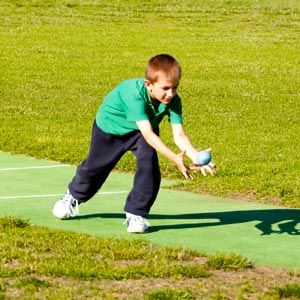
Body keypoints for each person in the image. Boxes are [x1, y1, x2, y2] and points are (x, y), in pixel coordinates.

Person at [52, 54, 216, 233]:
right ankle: (73, 196)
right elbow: (148, 133)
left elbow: (179, 135)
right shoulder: (133, 93)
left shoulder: (173, 101)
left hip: (141, 131)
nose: (171, 94)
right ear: (149, 84)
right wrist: (174, 158)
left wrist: (194, 155)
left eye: (175, 87)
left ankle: (136, 214)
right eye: (166, 88)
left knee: (149, 166)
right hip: (110, 128)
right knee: (95, 168)